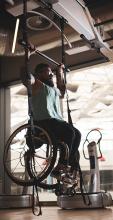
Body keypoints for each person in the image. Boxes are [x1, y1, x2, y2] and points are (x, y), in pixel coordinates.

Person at [24, 63, 81, 178]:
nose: (50, 74)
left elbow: (62, 90)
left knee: (77, 134)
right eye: (47, 71)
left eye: (51, 72)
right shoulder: (37, 84)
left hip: (55, 122)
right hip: (42, 122)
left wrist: (60, 71)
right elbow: (26, 76)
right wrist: (28, 53)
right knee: (70, 132)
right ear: (39, 74)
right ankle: (61, 165)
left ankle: (67, 165)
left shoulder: (53, 90)